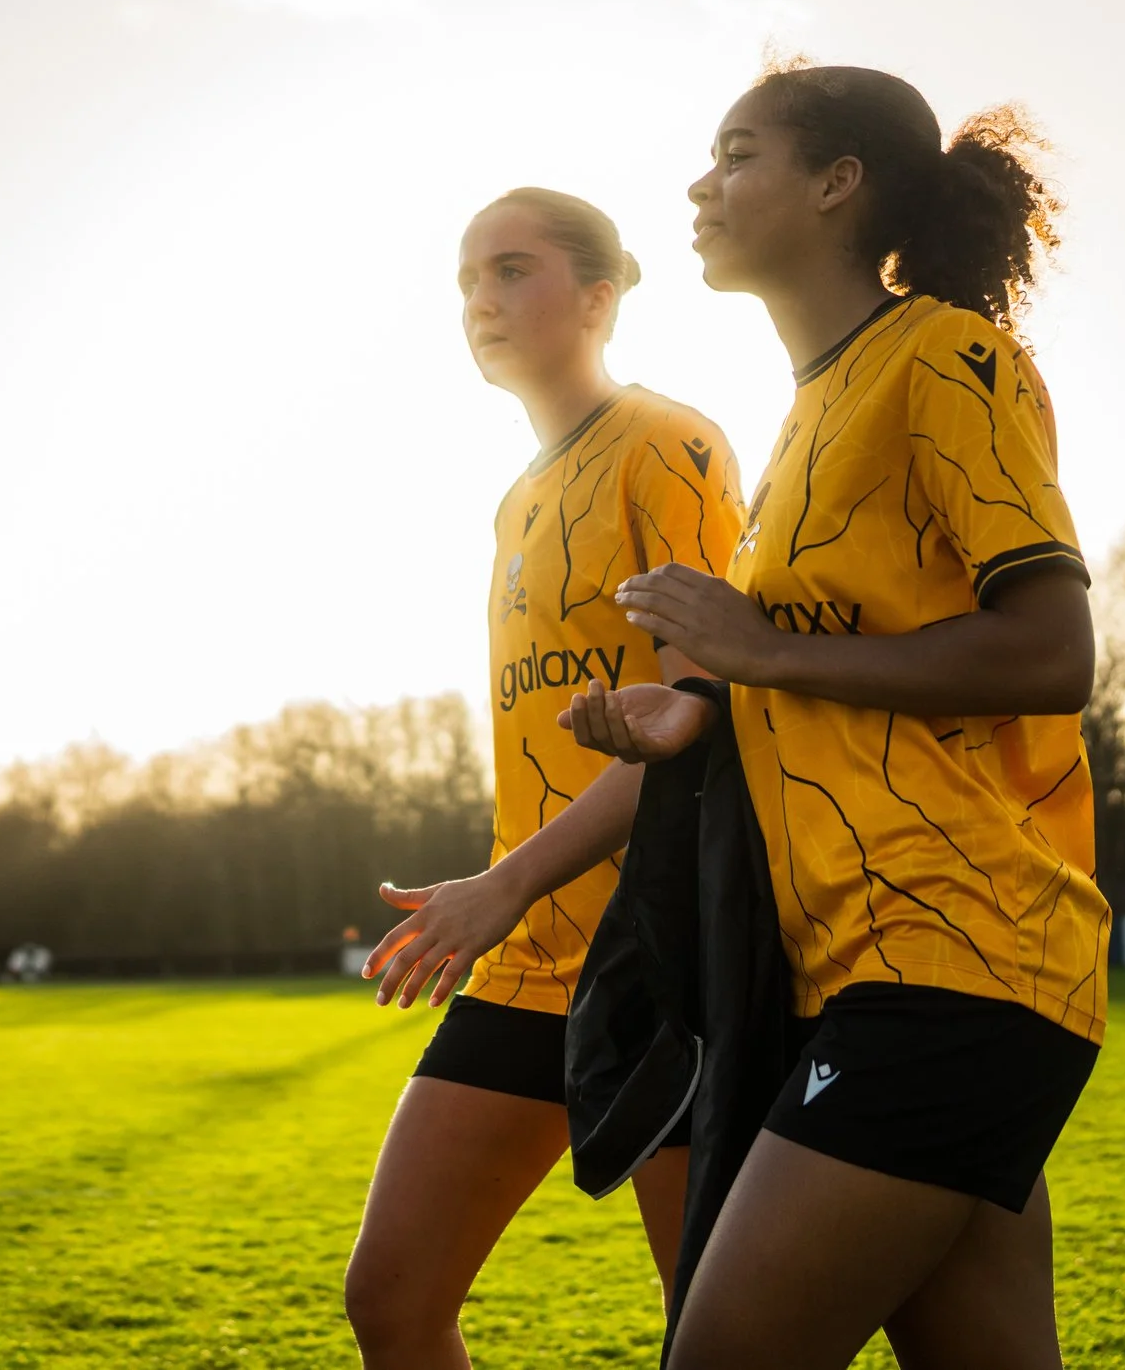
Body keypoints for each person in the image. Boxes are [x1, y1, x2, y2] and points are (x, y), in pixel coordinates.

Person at [564, 64, 1107, 1369]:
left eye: (736, 152)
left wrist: (759, 647)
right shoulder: (809, 412)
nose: (700, 184)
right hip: (857, 974)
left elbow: (1052, 648)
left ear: (836, 182)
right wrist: (702, 713)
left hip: (956, 954)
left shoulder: (948, 355)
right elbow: (827, 673)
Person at [346, 187, 747, 1368]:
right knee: (391, 1299)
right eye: (467, 278)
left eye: (511, 269)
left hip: (664, 958)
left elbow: (704, 716)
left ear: (598, 296)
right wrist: (510, 891)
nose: (480, 299)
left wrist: (504, 880)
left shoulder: (667, 444)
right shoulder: (518, 498)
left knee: (712, 1335)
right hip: (524, 959)